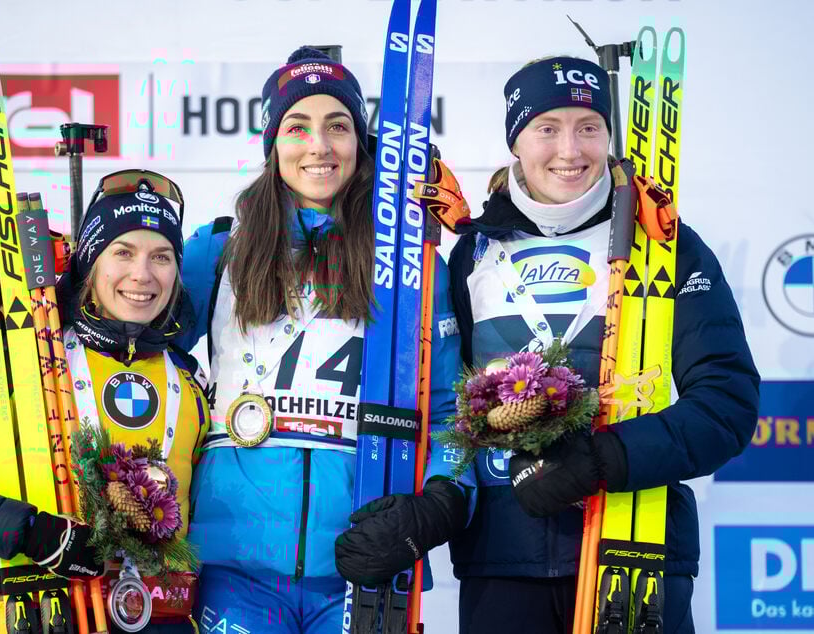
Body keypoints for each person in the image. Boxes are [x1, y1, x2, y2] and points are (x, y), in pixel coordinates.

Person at [334, 56, 760, 633]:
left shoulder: (664, 245)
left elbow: (725, 404)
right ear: (516, 141)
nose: (570, 150)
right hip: (502, 556)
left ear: (610, 136)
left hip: (635, 546)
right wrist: (435, 506)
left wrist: (602, 459)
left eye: (589, 127)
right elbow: (444, 411)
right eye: (547, 128)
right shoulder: (472, 258)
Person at [175, 46, 462, 634]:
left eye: (338, 126)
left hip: (367, 562)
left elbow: (454, 411)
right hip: (237, 566)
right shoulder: (218, 251)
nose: (319, 146)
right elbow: (124, 326)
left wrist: (439, 504)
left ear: (360, 141)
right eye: (297, 127)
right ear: (272, 143)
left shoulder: (411, 265)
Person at [0, 173, 209, 634]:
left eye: (161, 257)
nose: (142, 274)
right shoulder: (22, 359)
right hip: (46, 618)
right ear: (90, 261)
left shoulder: (192, 380)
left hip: (161, 620)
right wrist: (38, 533)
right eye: (122, 252)